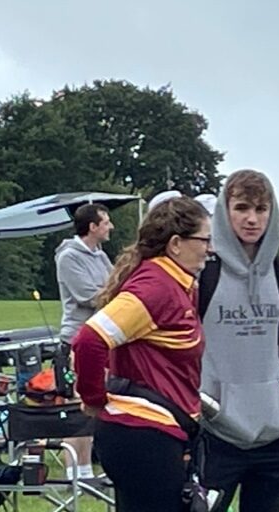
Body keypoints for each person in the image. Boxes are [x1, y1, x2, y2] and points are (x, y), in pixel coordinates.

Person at [72, 197, 211, 512]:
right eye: (204, 240)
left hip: (153, 434)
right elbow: (89, 340)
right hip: (144, 435)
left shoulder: (175, 283)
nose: (209, 249)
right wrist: (94, 398)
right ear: (176, 244)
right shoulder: (156, 287)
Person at [199, 169, 279, 512]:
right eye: (241, 208)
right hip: (213, 431)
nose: (252, 219)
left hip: (275, 436)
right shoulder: (201, 275)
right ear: (224, 211)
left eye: (261, 209)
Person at [55, 202, 114, 480]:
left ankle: (87, 470)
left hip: (101, 338)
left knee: (94, 404)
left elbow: (116, 283)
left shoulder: (100, 256)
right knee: (77, 406)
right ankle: (72, 473)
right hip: (77, 340)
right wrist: (116, 295)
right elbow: (87, 296)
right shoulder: (68, 257)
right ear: (92, 227)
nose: (111, 226)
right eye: (106, 222)